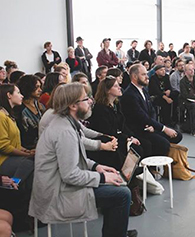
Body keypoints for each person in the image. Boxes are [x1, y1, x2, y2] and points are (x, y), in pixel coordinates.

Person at [29, 83, 137, 237]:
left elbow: (73, 159)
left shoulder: (66, 123)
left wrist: (97, 167)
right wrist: (102, 177)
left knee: (117, 188)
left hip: (58, 185)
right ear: (73, 105)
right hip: (57, 194)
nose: (90, 102)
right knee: (122, 194)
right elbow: (70, 174)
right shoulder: (65, 132)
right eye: (86, 99)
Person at [121, 64, 182, 157]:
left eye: (146, 74)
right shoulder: (130, 94)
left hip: (148, 126)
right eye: (143, 74)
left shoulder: (143, 90)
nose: (147, 77)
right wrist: (164, 129)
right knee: (163, 144)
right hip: (138, 130)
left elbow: (152, 110)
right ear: (134, 76)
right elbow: (141, 116)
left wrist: (153, 126)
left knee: (178, 135)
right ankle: (152, 167)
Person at [89, 76, 145, 169]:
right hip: (108, 140)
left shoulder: (116, 104)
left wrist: (130, 136)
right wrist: (127, 139)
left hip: (117, 136)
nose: (119, 87)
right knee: (136, 149)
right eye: (115, 86)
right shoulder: (100, 109)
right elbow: (107, 131)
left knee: (141, 145)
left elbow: (122, 124)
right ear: (107, 90)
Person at [0, 84, 34, 226]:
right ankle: (13, 184)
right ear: (9, 95)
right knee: (29, 163)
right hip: (3, 160)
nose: (21, 96)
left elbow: (15, 143)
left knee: (33, 168)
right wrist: (26, 155)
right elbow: (4, 146)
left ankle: (26, 215)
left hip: (12, 158)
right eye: (18, 92)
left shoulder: (9, 115)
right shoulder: (1, 116)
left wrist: (28, 151)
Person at [15, 75, 45, 150]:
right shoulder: (20, 109)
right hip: (29, 147)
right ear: (28, 87)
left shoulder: (39, 105)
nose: (40, 90)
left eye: (40, 87)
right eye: (36, 87)